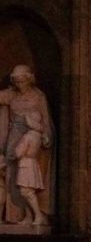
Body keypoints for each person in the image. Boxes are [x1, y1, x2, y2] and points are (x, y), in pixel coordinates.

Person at [0, 65, 53, 224]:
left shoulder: (38, 97)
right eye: (16, 82)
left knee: (27, 180)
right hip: (14, 137)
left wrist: (46, 135)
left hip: (32, 139)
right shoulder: (11, 94)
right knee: (12, 176)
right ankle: (16, 215)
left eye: (22, 81)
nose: (19, 85)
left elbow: (45, 120)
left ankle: (32, 214)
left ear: (29, 80)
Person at [14, 112, 45, 224]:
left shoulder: (28, 136)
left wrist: (15, 148)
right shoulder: (38, 136)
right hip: (32, 163)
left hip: (26, 164)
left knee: (26, 191)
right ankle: (29, 216)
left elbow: (18, 153)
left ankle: (38, 215)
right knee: (25, 191)